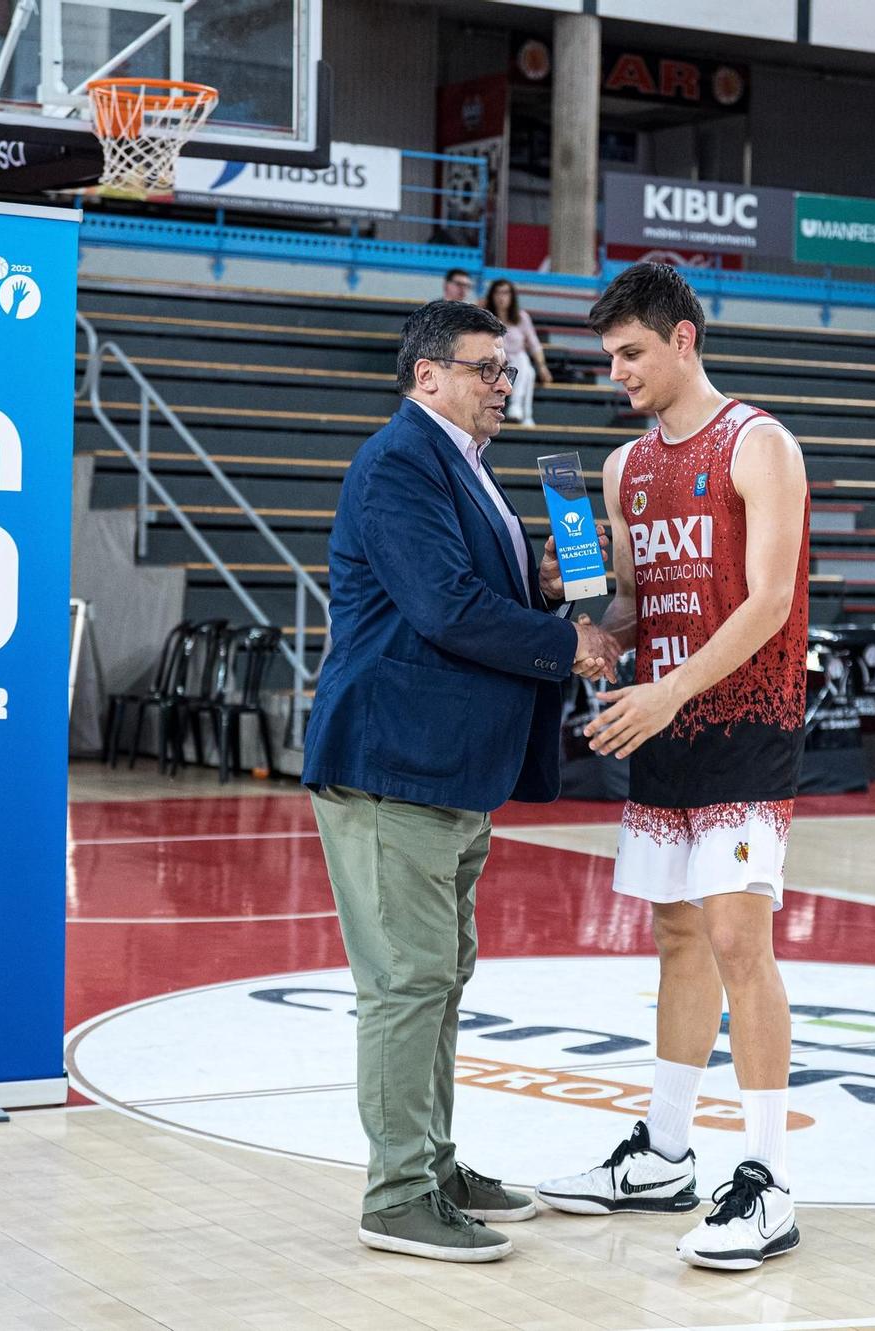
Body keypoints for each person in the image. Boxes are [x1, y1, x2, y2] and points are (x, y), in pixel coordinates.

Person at [301, 298, 618, 1262]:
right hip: (394, 763)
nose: (502, 380)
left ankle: (432, 1163)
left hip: (442, 770)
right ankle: (397, 1193)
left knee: (437, 980)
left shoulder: (467, 467)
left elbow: (473, 590)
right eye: (485, 368)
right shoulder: (401, 460)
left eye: (504, 368)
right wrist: (569, 641)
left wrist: (554, 588)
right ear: (427, 375)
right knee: (407, 982)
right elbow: (444, 605)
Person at [535, 263, 810, 1272]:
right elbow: (630, 608)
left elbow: (768, 600)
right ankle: (661, 1149)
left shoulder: (759, 443)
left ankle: (769, 1179)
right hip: (660, 722)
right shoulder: (618, 468)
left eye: (631, 353)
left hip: (742, 715)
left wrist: (669, 687)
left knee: (740, 931)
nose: (616, 373)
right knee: (677, 933)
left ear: (683, 339)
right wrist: (587, 623)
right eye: (608, 357)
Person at [483, 278, 552, 425]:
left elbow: (534, 344)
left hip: (517, 363)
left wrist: (542, 366)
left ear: (512, 296)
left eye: (506, 293)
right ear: (492, 295)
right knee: (525, 368)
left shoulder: (521, 318)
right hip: (493, 362)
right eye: (498, 293)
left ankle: (519, 409)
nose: (502, 297)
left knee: (527, 368)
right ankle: (524, 413)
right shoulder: (485, 317)